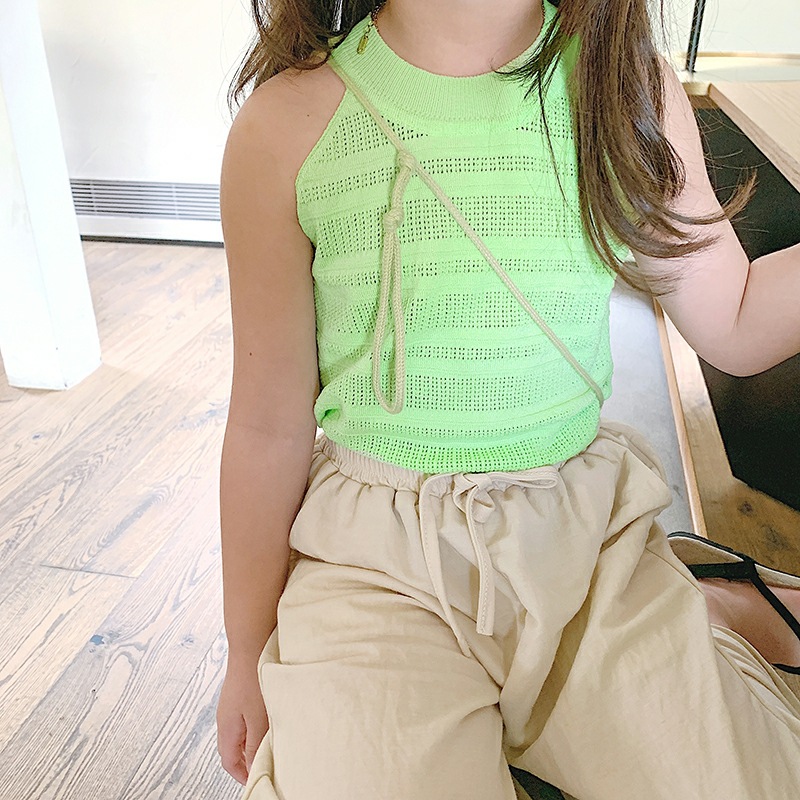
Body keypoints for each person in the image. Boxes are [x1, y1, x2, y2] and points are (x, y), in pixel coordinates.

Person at [215, 1, 800, 798]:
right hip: (374, 566)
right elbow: (267, 426)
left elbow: (733, 317)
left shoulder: (623, 88)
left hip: (588, 548)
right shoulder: (285, 126)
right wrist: (245, 649)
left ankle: (713, 606)